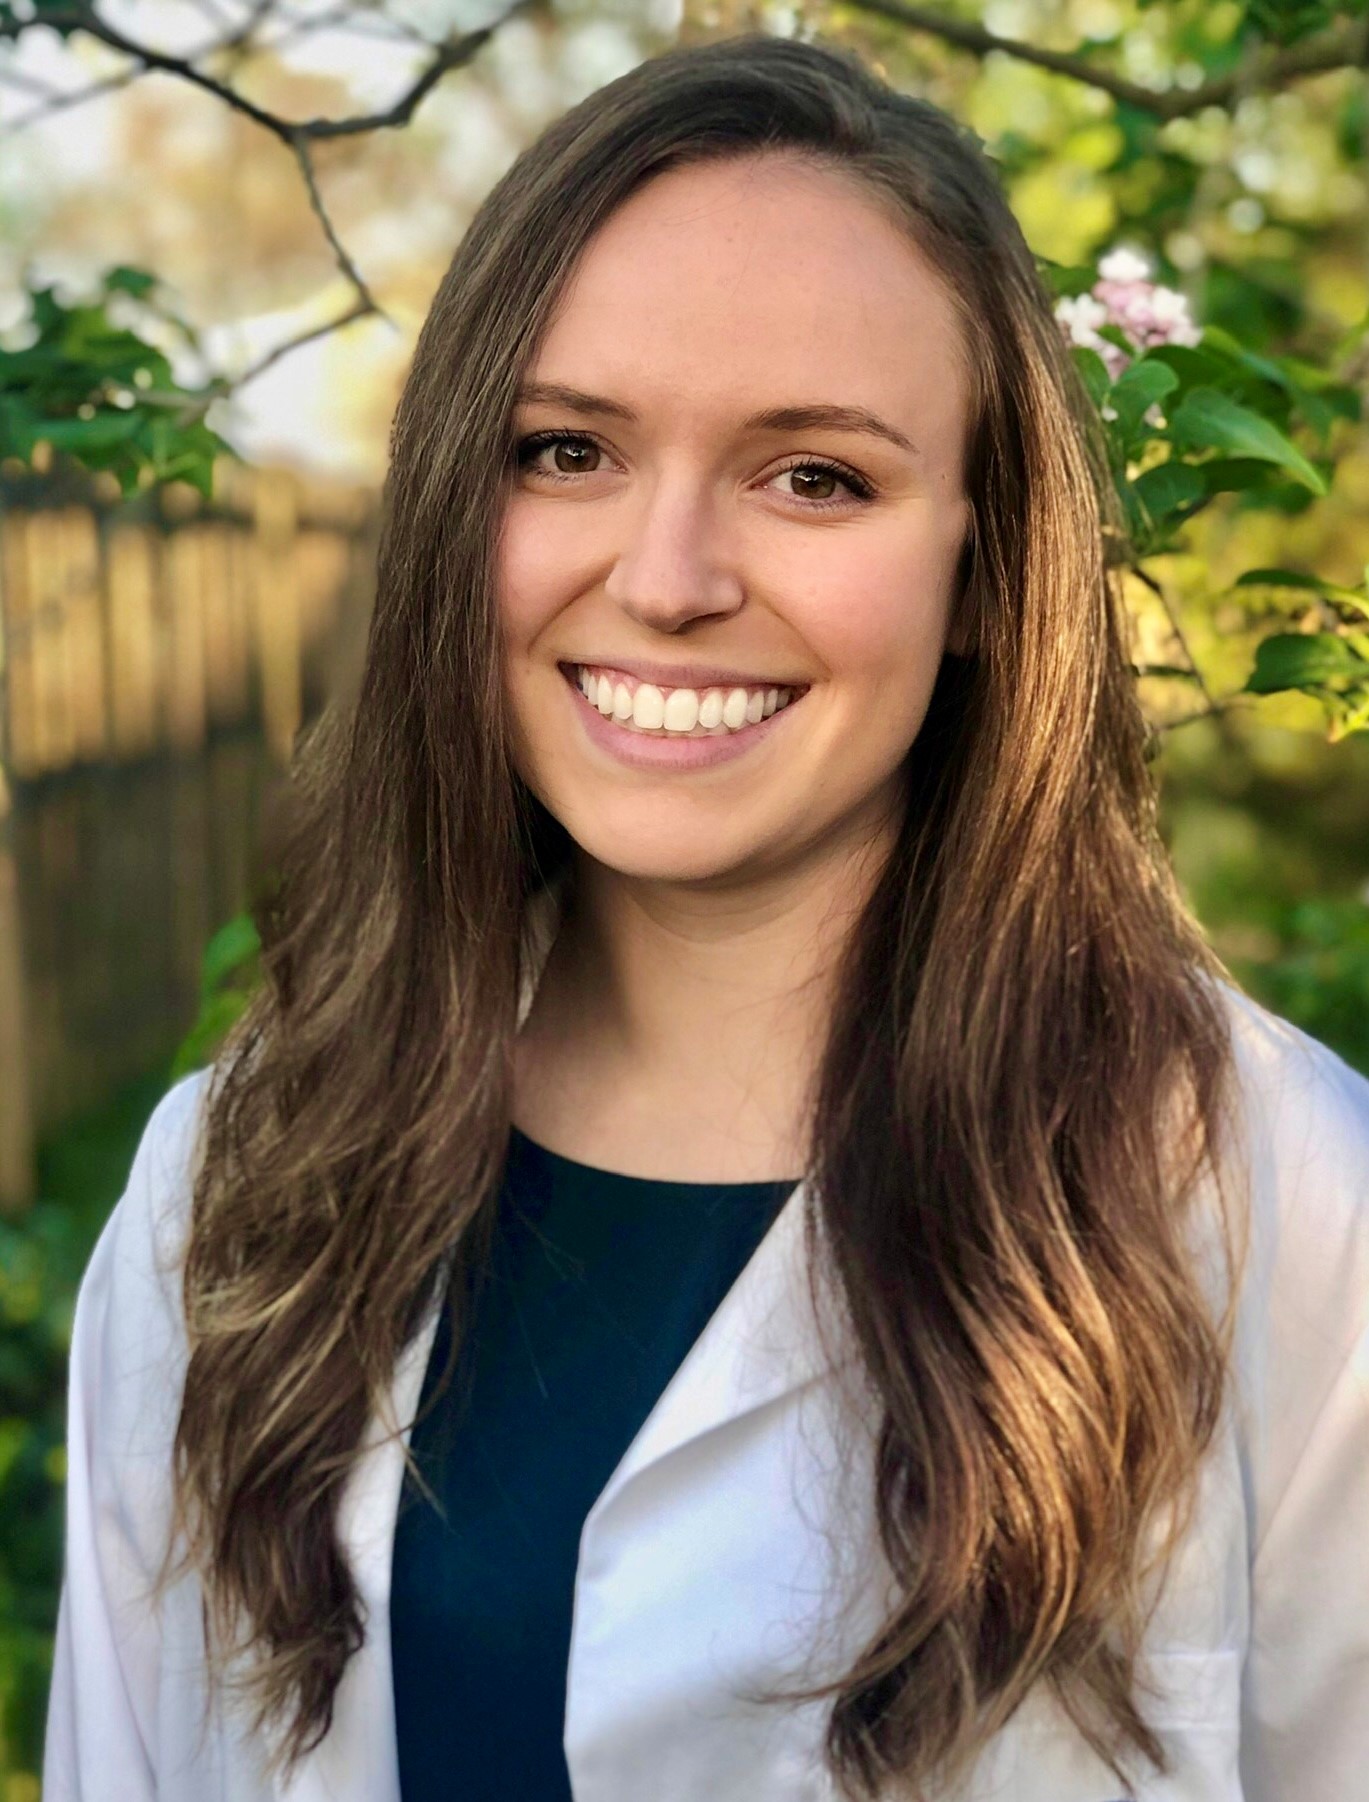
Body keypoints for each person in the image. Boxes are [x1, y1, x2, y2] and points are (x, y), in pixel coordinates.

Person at [43, 31, 1369, 1802]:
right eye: (567, 448)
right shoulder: (234, 1183)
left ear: (982, 566)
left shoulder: (1283, 1205)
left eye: (813, 475)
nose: (666, 580)